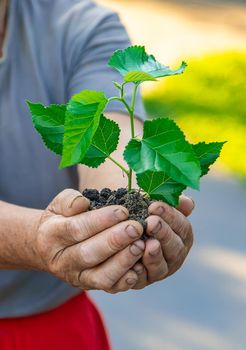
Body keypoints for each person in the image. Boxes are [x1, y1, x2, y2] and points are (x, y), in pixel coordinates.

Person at [0, 0, 194, 349]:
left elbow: (115, 150)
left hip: (53, 328)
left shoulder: (79, 26)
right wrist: (37, 238)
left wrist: (129, 217)